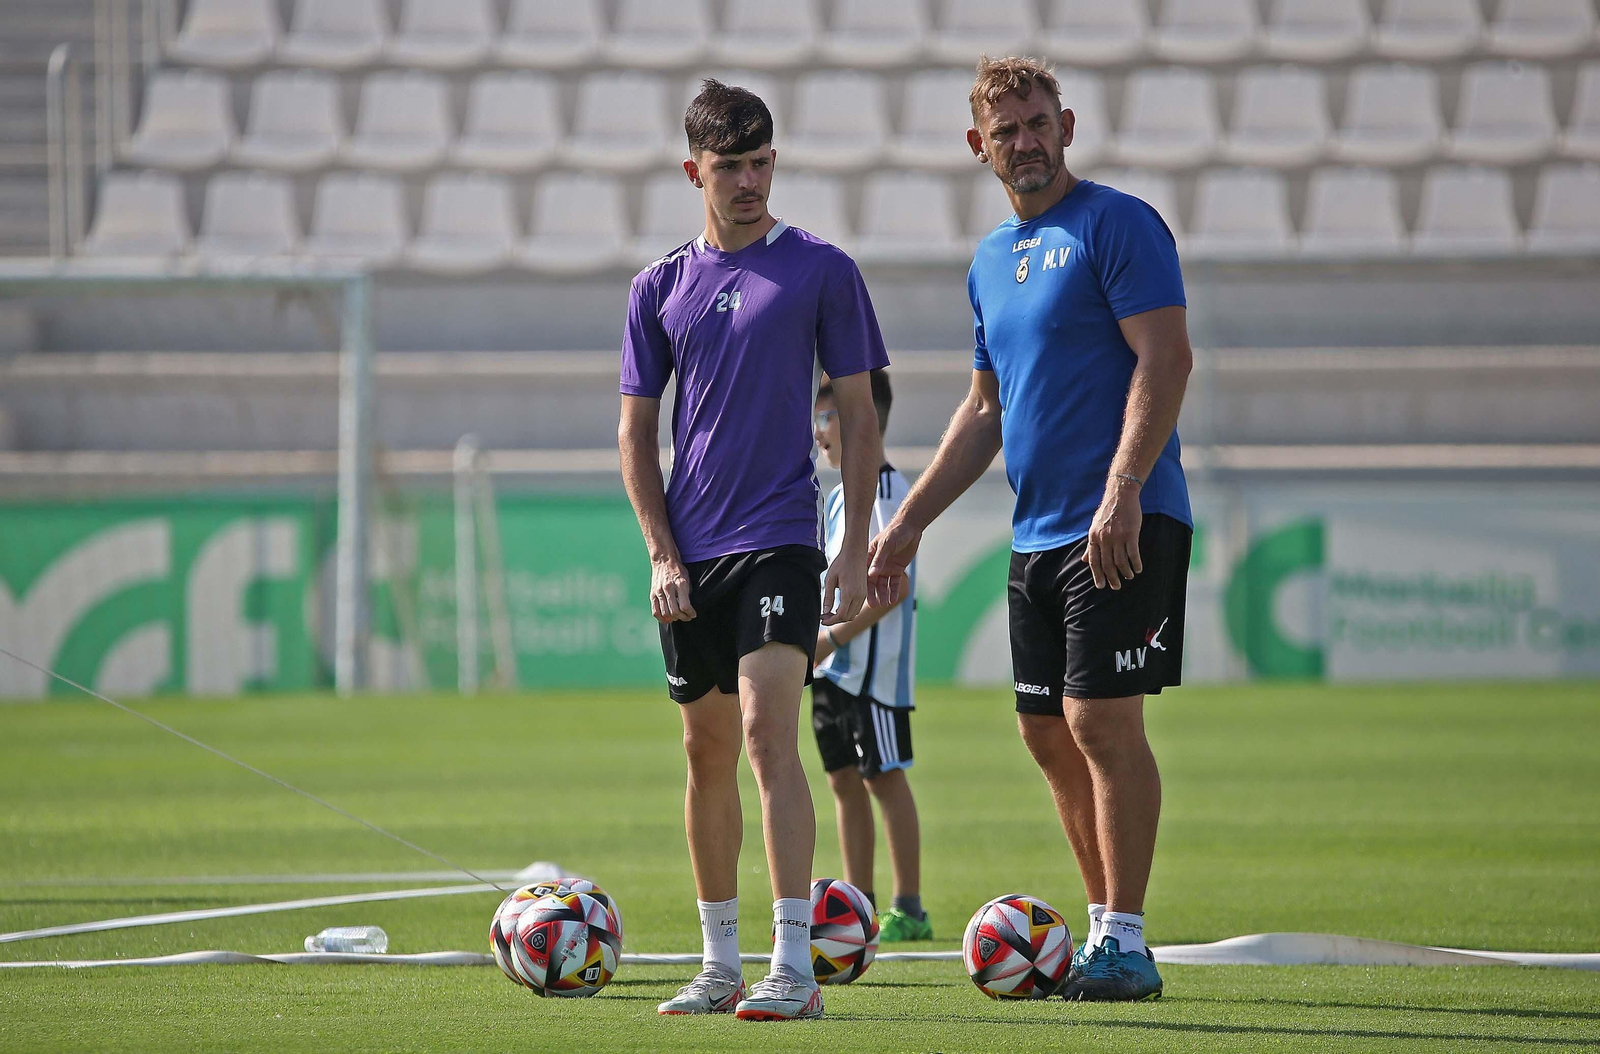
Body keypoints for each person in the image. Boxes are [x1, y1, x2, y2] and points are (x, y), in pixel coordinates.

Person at [866, 56, 1194, 1002]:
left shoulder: (1118, 224)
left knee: (1098, 720)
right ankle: (1103, 936)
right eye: (1006, 130)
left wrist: (1124, 485)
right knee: (1045, 732)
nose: (1026, 141)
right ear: (980, 147)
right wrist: (909, 522)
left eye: (1039, 121)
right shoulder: (989, 263)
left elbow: (1165, 357)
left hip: (1122, 520)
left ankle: (1126, 940)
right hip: (1038, 534)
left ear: (1069, 125)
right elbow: (983, 411)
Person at [619, 79, 889, 1022]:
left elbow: (858, 418)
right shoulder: (657, 287)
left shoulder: (821, 269)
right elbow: (634, 435)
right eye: (729, 165)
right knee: (704, 752)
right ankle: (719, 961)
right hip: (692, 553)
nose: (748, 180)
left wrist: (853, 545)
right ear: (694, 169)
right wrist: (661, 554)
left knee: (769, 734)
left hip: (779, 536)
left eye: (761, 161)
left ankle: (795, 970)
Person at [809, 369, 931, 943]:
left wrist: (831, 638)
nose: (818, 432)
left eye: (826, 418)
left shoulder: (887, 493)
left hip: (872, 675)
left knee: (884, 777)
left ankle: (910, 908)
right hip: (833, 669)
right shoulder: (837, 500)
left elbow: (894, 586)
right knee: (843, 781)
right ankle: (859, 909)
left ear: (861, 419)